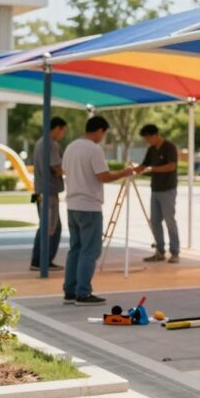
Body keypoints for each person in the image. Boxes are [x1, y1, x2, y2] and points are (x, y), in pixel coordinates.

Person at [61, 116, 135, 306]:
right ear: (100, 130)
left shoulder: (71, 147)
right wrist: (124, 172)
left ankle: (70, 291)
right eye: (104, 133)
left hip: (72, 204)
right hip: (89, 206)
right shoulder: (93, 149)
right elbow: (103, 176)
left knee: (75, 249)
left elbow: (65, 171)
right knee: (89, 251)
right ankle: (83, 293)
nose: (103, 137)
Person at [134, 124, 180, 263]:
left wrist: (153, 169)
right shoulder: (151, 149)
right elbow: (143, 166)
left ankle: (175, 252)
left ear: (155, 135)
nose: (147, 141)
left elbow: (172, 166)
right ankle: (159, 251)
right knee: (154, 221)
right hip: (155, 189)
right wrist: (134, 169)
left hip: (168, 189)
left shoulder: (169, 147)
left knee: (169, 220)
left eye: (148, 138)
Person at [30, 117, 67, 271]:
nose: (63, 134)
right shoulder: (52, 145)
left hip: (39, 191)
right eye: (63, 130)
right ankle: (43, 261)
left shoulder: (39, 142)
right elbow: (56, 166)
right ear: (57, 128)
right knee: (52, 228)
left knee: (44, 226)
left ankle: (37, 260)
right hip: (49, 192)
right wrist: (68, 171)